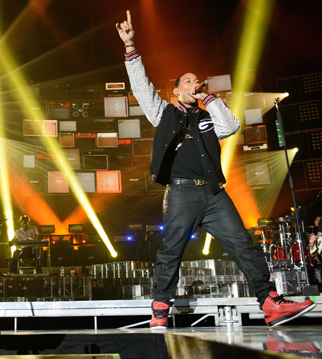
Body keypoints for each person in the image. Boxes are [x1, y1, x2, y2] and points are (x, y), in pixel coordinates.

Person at [116, 10, 315, 329]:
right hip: (181, 192)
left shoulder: (208, 118)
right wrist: (130, 47)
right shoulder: (164, 114)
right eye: (187, 82)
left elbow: (232, 125)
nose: (194, 84)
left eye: (197, 81)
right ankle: (160, 307)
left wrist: (210, 98)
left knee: (243, 245)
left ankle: (269, 302)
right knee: (172, 250)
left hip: (214, 194)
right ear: (177, 91)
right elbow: (142, 88)